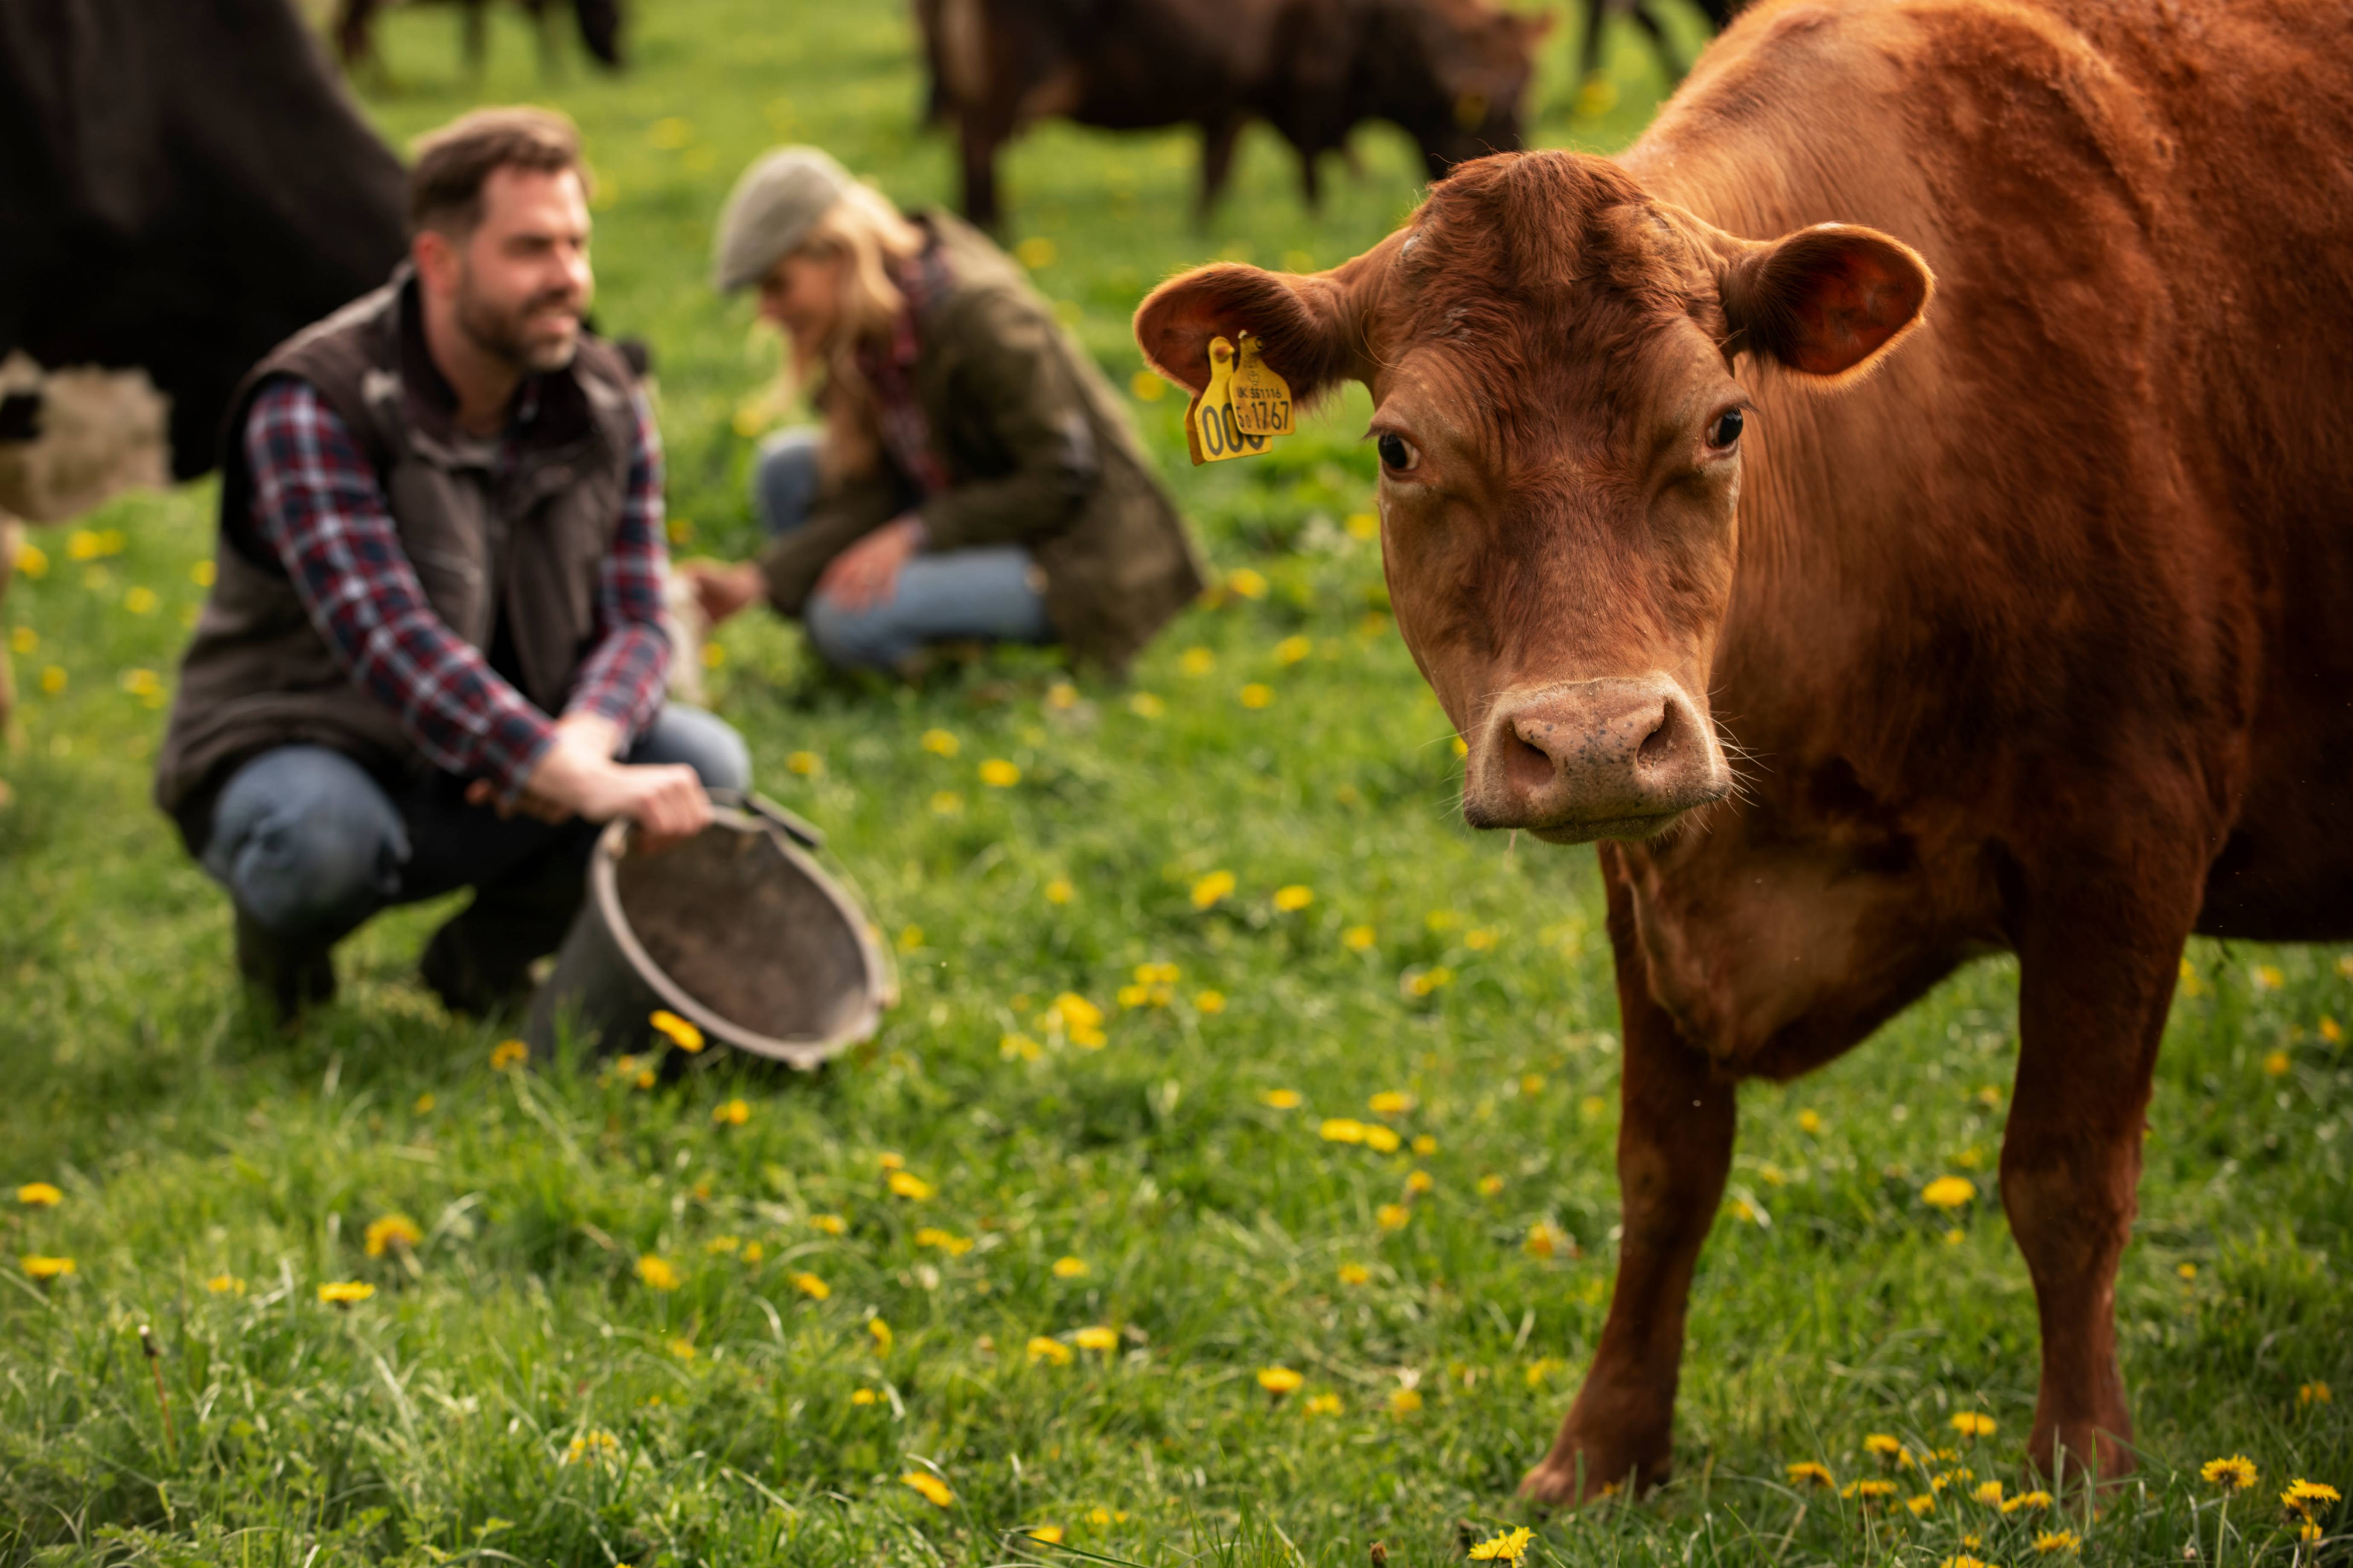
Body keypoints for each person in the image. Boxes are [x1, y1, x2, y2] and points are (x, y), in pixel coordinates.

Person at [154, 108, 749, 1021]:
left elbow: (638, 615)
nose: (570, 279)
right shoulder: (314, 405)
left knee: (702, 765)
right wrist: (557, 767)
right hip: (315, 746)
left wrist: (583, 743)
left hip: (502, 761)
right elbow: (392, 643)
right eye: (531, 250)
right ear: (438, 261)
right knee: (319, 843)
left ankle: (480, 963)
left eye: (577, 244)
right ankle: (282, 961)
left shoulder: (606, 399)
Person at [680, 147, 1204, 675]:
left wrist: (914, 536)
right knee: (786, 467)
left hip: (1070, 549)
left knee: (840, 620)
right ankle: (901, 629)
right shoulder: (869, 325)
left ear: (834, 250)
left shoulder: (980, 316)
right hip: (968, 505)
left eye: (777, 285)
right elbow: (873, 488)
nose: (766, 312)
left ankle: (946, 661)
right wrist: (759, 581)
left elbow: (1060, 478)